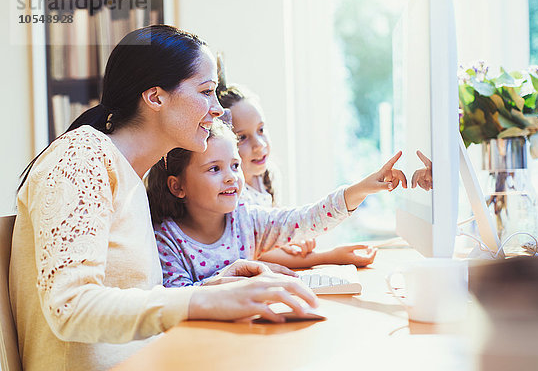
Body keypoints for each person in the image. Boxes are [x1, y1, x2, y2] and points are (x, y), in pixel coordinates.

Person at [9, 25, 317, 371]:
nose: (218, 110)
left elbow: (133, 297)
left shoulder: (129, 175)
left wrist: (212, 288)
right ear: (155, 97)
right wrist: (200, 299)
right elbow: (70, 306)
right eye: (206, 92)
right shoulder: (81, 157)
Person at [147, 118, 407, 287]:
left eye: (235, 166)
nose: (231, 178)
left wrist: (361, 189)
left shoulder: (247, 220)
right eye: (214, 169)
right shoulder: (166, 239)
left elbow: (307, 219)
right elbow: (178, 298)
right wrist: (239, 276)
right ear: (177, 186)